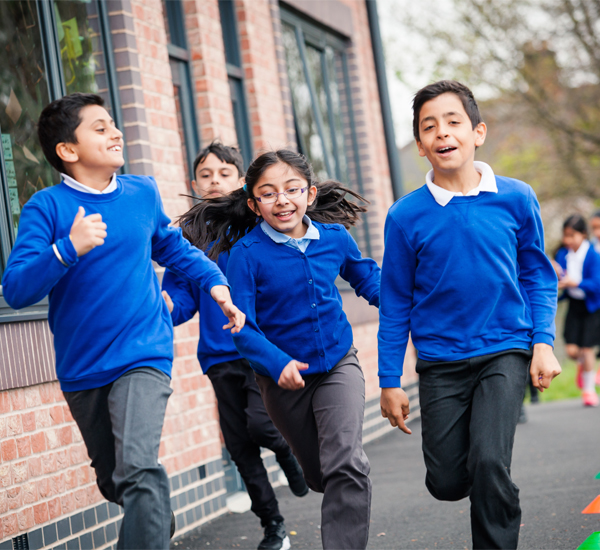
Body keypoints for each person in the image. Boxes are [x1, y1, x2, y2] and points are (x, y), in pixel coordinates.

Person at [1, 93, 245, 549]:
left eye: (113, 124)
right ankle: (153, 512)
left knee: (137, 467)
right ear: (68, 151)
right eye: (100, 128)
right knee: (117, 482)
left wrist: (216, 284)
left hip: (144, 350)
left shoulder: (141, 192)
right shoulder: (47, 208)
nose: (115, 133)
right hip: (83, 365)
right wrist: (66, 248)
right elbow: (16, 290)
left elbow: (173, 249)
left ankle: (146, 516)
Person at [378, 80, 562, 550]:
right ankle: (489, 489)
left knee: (488, 463)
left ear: (477, 131)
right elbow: (396, 301)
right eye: (429, 126)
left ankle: (496, 522)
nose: (443, 132)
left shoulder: (517, 198)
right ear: (420, 145)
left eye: (453, 121)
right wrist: (389, 381)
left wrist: (542, 342)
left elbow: (538, 276)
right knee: (445, 480)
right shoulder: (405, 217)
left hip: (505, 348)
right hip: (440, 362)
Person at [177, 149, 380, 550]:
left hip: (339, 363)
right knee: (322, 475)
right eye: (268, 193)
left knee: (347, 465)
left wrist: (403, 300)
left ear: (311, 194)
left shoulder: (335, 238)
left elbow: (366, 279)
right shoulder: (247, 254)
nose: (282, 199)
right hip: (281, 381)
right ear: (253, 203)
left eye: (291, 189)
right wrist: (277, 361)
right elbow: (242, 328)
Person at [161, 141, 308, 550]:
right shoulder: (188, 238)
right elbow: (184, 300)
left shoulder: (255, 227)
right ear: (194, 182)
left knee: (262, 425)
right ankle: (273, 526)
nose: (213, 182)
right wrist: (163, 308)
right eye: (206, 175)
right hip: (218, 357)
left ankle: (289, 453)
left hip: (259, 349)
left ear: (241, 182)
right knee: (239, 446)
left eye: (224, 174)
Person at [554, 214, 600, 406]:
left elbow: (597, 284)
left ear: (582, 234)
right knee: (573, 350)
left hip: (591, 306)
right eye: (566, 236)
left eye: (572, 235)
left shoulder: (593, 255)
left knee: (587, 348)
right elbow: (559, 277)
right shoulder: (562, 254)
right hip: (573, 305)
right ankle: (583, 365)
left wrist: (577, 283)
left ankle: (588, 391)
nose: (568, 240)